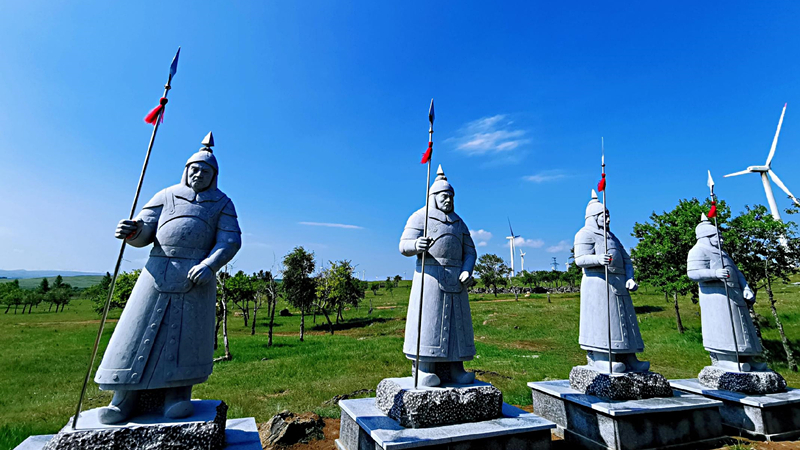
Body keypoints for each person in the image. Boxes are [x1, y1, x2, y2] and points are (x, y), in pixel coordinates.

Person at [94, 135, 241, 423]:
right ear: (185, 170)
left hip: (196, 277)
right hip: (156, 272)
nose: (198, 174)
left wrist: (210, 266)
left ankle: (177, 397)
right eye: (194, 169)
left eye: (205, 171)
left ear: (214, 176)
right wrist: (132, 231)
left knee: (186, 338)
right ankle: (121, 400)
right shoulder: (166, 195)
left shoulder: (222, 203)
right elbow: (146, 230)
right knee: (135, 333)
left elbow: (230, 240)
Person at [399, 166, 477, 386]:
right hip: (430, 277)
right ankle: (423, 368)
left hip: (456, 279)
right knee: (429, 323)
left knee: (457, 325)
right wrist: (416, 244)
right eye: (445, 195)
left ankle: (457, 368)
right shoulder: (419, 217)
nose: (449, 200)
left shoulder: (459, 223)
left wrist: (466, 270)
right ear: (433, 196)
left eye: (451, 196)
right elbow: (403, 245)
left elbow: (470, 251)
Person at [574, 190, 648, 373]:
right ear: (592, 217)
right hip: (599, 285)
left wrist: (630, 278)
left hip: (619, 284)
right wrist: (598, 260)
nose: (607, 220)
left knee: (626, 322)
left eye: (608, 216)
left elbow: (627, 259)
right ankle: (602, 357)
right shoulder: (584, 234)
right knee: (604, 322)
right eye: (603, 216)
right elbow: (580, 259)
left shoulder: (612, 237)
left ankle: (629, 357)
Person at [687, 214, 764, 372]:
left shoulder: (723, 253)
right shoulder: (698, 251)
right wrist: (715, 274)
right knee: (725, 330)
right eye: (718, 237)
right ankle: (726, 359)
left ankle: (747, 357)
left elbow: (737, 272)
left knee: (743, 330)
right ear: (707, 237)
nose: (721, 241)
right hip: (717, 299)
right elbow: (693, 273)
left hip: (735, 296)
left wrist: (746, 288)